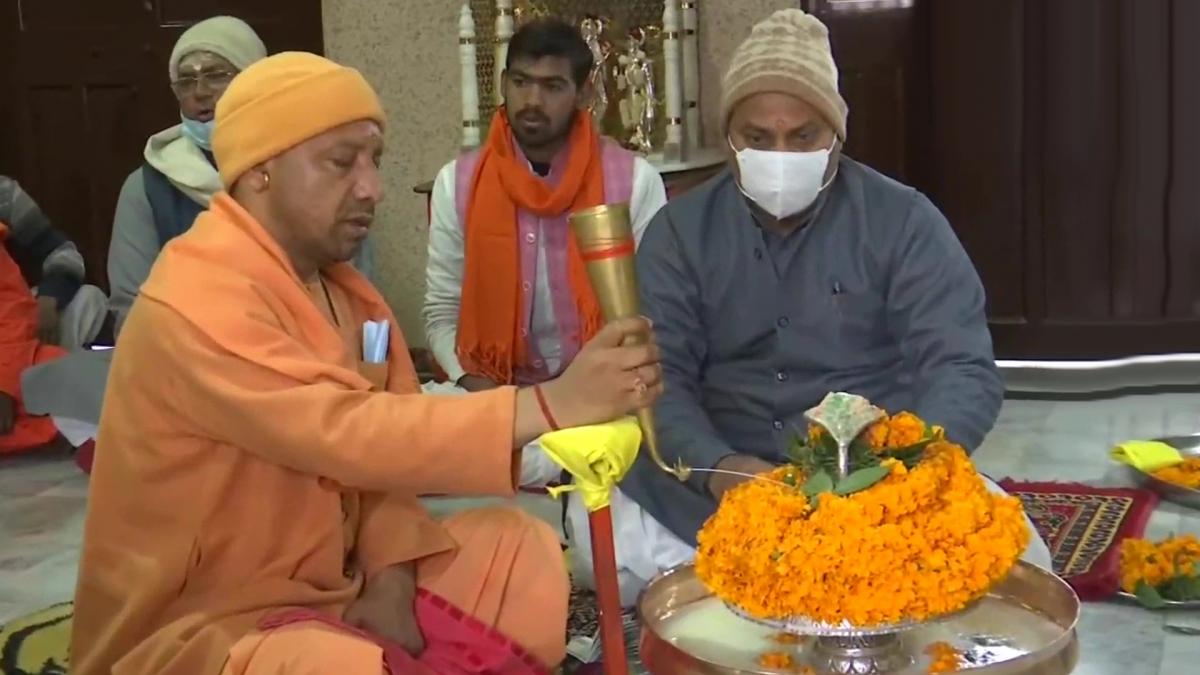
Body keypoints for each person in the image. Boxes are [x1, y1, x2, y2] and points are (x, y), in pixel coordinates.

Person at [70, 52, 663, 675]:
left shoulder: (349, 295)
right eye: (340, 162)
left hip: (338, 580)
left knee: (517, 548)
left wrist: (390, 579)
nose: (372, 187)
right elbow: (346, 430)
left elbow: (388, 469)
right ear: (260, 171)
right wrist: (549, 405)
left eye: (374, 161)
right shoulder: (196, 295)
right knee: (328, 666)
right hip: (211, 616)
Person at [566, 8, 1053, 605]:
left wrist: (903, 466)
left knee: (1023, 559)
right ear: (729, 138)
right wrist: (722, 467)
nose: (780, 154)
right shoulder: (679, 232)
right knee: (603, 548)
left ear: (836, 136)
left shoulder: (904, 222)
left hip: (875, 484)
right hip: (721, 484)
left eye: (802, 137)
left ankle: (795, 583)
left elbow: (961, 367)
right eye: (757, 138)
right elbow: (656, 378)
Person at [422, 18, 667, 393]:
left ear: (584, 94)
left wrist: (584, 394)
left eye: (552, 86)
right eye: (521, 83)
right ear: (503, 84)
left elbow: (651, 312)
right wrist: (485, 392)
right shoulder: (457, 183)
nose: (533, 101)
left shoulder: (634, 182)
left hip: (602, 391)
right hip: (490, 393)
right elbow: (442, 312)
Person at [108, 16, 377, 337]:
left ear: (255, 82)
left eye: (216, 75)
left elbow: (357, 293)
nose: (200, 92)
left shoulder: (308, 174)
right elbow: (130, 310)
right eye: (186, 81)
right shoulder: (146, 188)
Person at [1, 176, 106, 456]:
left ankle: (72, 422)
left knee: (89, 301)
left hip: (25, 319)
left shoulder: (4, 194)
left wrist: (51, 295)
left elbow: (63, 253)